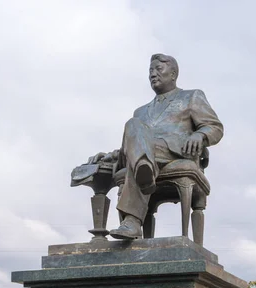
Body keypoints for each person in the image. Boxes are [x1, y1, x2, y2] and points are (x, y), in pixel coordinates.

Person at [89, 54, 223, 239]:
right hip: (147, 153)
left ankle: (133, 219)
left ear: (173, 74)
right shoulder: (140, 111)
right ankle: (144, 171)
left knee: (137, 146)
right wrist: (109, 156)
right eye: (150, 71)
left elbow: (215, 127)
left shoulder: (191, 96)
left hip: (177, 151)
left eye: (158, 69)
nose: (153, 74)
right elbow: (133, 142)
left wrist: (200, 134)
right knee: (133, 125)